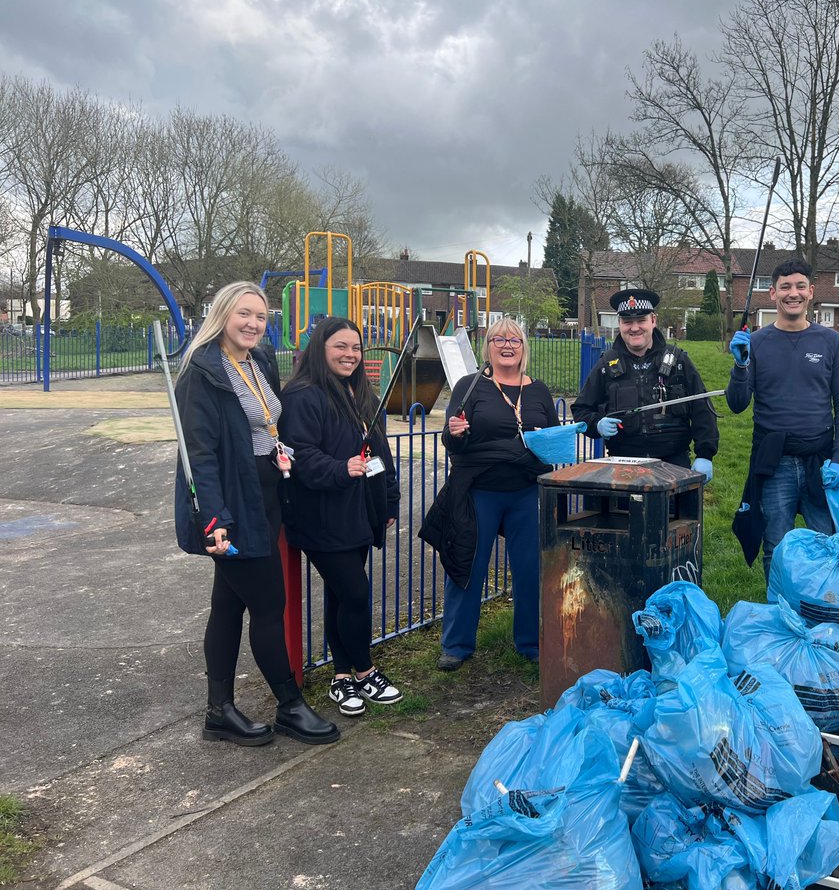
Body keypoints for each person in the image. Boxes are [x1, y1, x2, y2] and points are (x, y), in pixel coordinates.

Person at [173, 281, 339, 746]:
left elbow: (269, 422)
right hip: (231, 503)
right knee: (269, 604)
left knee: (227, 604)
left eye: (261, 316)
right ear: (223, 314)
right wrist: (214, 517)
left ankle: (219, 712)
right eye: (243, 314)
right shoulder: (202, 374)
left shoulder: (260, 360)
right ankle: (289, 706)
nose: (252, 324)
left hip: (267, 492)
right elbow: (199, 456)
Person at [278, 318, 404, 717]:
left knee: (339, 596)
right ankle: (365, 670)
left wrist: (388, 501)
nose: (350, 355)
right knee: (354, 593)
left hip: (359, 513)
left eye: (356, 348)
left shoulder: (360, 393)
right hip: (322, 516)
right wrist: (340, 468)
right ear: (321, 348)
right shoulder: (302, 395)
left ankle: (341, 677)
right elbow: (299, 453)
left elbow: (378, 455)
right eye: (341, 347)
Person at [419, 317, 559, 672]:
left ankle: (530, 642)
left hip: (527, 491)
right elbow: (451, 441)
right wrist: (456, 433)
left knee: (530, 569)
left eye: (514, 339)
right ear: (488, 346)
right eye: (499, 339)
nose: (507, 345)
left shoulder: (539, 391)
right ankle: (457, 644)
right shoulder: (470, 387)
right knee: (468, 565)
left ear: (524, 347)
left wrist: (545, 440)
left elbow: (556, 442)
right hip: (480, 492)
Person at [726, 259, 839, 594]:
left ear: (811, 292)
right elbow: (737, 404)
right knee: (777, 547)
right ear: (772, 293)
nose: (793, 293)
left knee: (828, 545)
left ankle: (824, 610)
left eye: (800, 286)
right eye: (785, 287)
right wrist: (740, 366)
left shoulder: (831, 341)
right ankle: (781, 617)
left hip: (821, 461)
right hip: (774, 462)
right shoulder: (756, 342)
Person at [572, 289, 718, 478]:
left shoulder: (678, 361)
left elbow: (702, 408)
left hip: (674, 465)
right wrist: (596, 424)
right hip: (623, 466)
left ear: (653, 320)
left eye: (641, 320)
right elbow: (581, 409)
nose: (634, 328)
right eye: (627, 322)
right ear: (619, 324)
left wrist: (705, 454)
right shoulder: (606, 365)